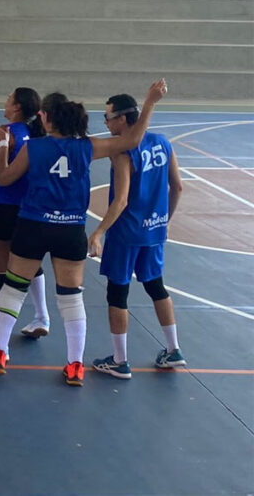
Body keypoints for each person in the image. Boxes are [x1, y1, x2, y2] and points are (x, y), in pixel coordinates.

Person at [0, 80, 167, 385]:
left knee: (12, 289)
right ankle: (74, 365)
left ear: (49, 119)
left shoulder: (34, 147)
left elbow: (2, 179)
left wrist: (1, 146)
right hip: (69, 230)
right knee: (70, 299)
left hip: (33, 225)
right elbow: (132, 141)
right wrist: (149, 103)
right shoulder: (88, 147)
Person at [88, 93, 186, 379]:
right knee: (156, 285)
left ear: (122, 118)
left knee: (117, 292)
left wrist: (98, 231)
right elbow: (177, 187)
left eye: (107, 117)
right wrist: (164, 221)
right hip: (153, 232)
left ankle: (120, 360)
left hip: (126, 234)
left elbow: (121, 201)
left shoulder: (123, 152)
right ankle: (173, 348)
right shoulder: (163, 143)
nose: (105, 122)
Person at [0, 88, 49, 356]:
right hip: (28, 210)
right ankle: (41, 316)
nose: (4, 101)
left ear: (17, 107)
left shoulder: (6, 133)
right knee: (28, 264)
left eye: (8, 98)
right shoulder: (34, 134)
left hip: (3, 208)